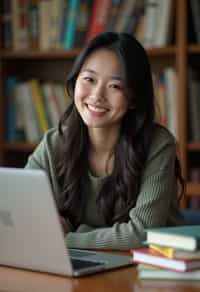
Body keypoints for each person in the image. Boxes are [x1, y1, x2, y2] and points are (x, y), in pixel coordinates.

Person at [25, 32, 184, 250]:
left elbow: (142, 233)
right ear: (75, 82)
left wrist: (68, 238)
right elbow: (21, 214)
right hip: (78, 266)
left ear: (134, 98)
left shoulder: (157, 144)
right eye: (89, 79)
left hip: (153, 271)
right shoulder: (55, 142)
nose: (97, 96)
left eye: (115, 86)